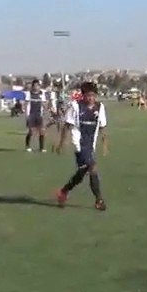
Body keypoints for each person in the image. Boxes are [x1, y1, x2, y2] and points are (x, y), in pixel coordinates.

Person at [54, 81, 108, 211]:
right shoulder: (76, 107)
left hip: (91, 144)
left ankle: (64, 191)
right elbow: (67, 125)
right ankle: (99, 200)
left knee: (83, 171)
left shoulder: (100, 107)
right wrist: (62, 143)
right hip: (79, 143)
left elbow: (102, 127)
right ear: (83, 95)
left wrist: (105, 143)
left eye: (93, 95)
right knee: (93, 167)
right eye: (88, 95)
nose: (91, 98)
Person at [25, 79, 48, 152]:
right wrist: (27, 115)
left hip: (39, 114)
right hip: (31, 114)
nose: (36, 87)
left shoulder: (42, 94)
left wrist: (46, 111)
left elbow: (44, 104)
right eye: (34, 86)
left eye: (37, 86)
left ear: (39, 86)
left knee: (42, 131)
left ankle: (42, 147)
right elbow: (26, 104)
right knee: (31, 132)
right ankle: (27, 145)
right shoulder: (29, 94)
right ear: (32, 86)